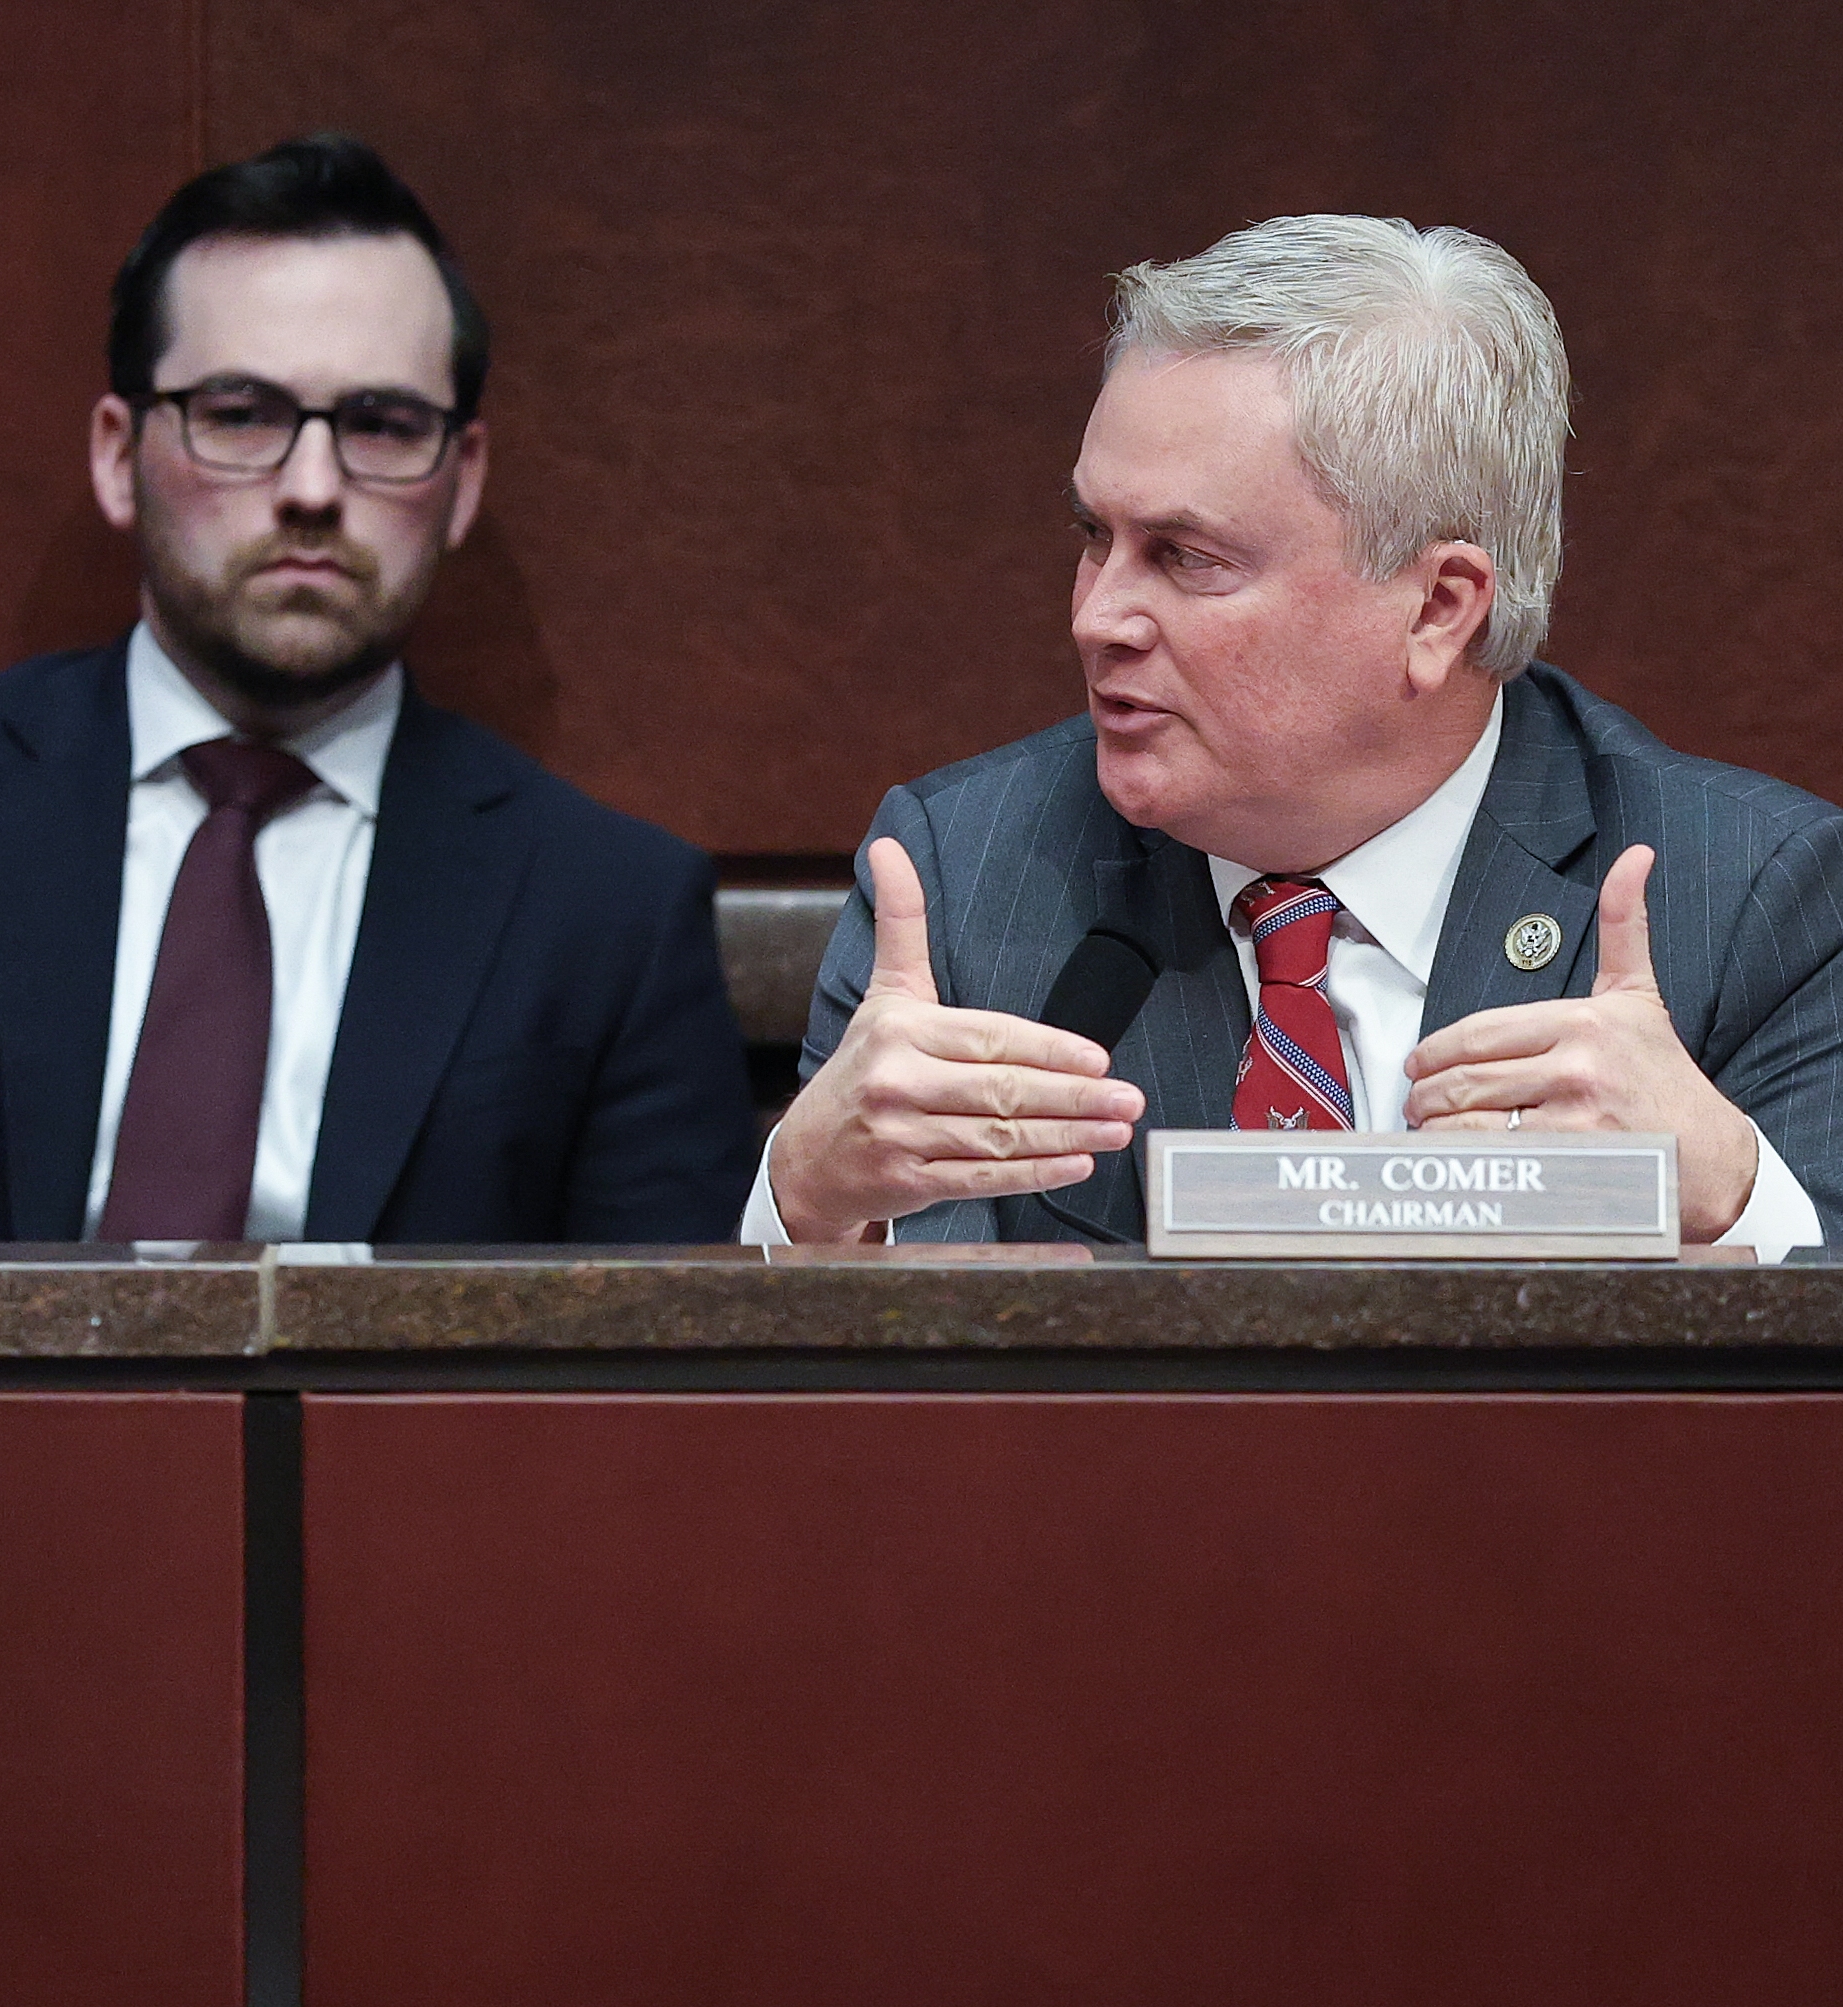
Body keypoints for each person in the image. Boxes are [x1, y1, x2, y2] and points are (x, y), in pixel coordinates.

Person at [762, 214, 1843, 1256]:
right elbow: (905, 1408)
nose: (1096, 617)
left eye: (1188, 557)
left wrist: (1736, 1198)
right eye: (1098, 536)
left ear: (1436, 609)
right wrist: (806, 1200)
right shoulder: (965, 878)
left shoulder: (1750, 898)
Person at [0, 134, 752, 1244]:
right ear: (115, 453)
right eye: (242, 414)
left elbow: (655, 1366)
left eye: (381, 425)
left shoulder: (606, 909)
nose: (314, 488)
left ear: (462, 479)